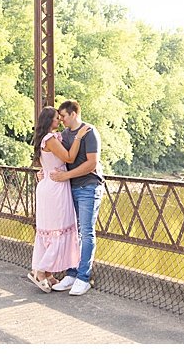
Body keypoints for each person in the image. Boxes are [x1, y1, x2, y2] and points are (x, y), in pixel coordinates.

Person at [47, 99, 104, 296]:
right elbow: (58, 157)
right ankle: (71, 274)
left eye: (63, 116)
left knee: (86, 232)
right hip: (70, 188)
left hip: (88, 186)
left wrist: (66, 176)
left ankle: (83, 277)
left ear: (73, 114)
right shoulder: (64, 135)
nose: (60, 119)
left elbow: (92, 164)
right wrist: (43, 172)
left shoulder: (89, 132)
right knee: (73, 232)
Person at [27, 105, 83, 292]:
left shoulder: (46, 138)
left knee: (49, 231)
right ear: (49, 121)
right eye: (56, 118)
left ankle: (48, 273)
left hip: (48, 186)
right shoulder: (50, 138)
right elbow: (68, 157)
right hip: (56, 188)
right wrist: (79, 138)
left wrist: (45, 170)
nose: (59, 120)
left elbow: (46, 162)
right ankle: (41, 271)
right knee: (58, 230)